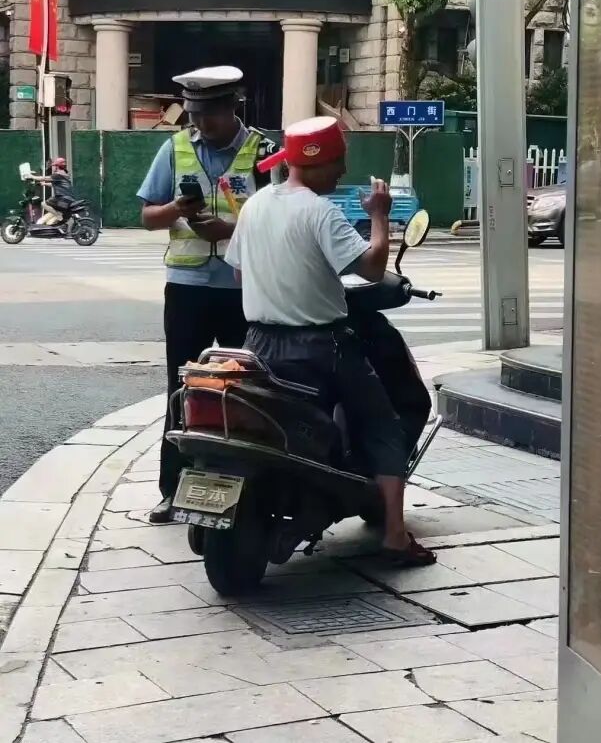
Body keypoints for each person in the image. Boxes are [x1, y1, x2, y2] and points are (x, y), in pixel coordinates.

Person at [225, 115, 437, 566]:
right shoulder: (321, 212)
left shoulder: (255, 206)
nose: (342, 172)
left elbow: (242, 274)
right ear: (315, 163)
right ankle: (395, 538)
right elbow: (373, 268)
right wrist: (378, 215)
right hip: (321, 349)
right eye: (338, 162)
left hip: (258, 346)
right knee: (383, 424)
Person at [137, 66, 280, 523]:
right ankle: (172, 489)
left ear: (233, 106)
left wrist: (230, 230)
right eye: (194, 114)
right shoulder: (175, 147)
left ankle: (253, 487)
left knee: (249, 389)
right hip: (187, 290)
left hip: (244, 291)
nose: (200, 123)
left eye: (209, 115)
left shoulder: (264, 151)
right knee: (183, 389)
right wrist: (177, 208)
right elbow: (148, 217)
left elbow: (281, 219)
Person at [31, 158, 76, 226]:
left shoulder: (57, 175)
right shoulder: (65, 174)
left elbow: (44, 178)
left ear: (57, 166)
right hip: (69, 199)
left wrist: (32, 176)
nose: (53, 168)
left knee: (44, 204)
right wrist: (44, 184)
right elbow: (56, 184)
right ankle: (59, 221)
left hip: (62, 198)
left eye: (54, 166)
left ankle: (58, 216)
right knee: (52, 217)